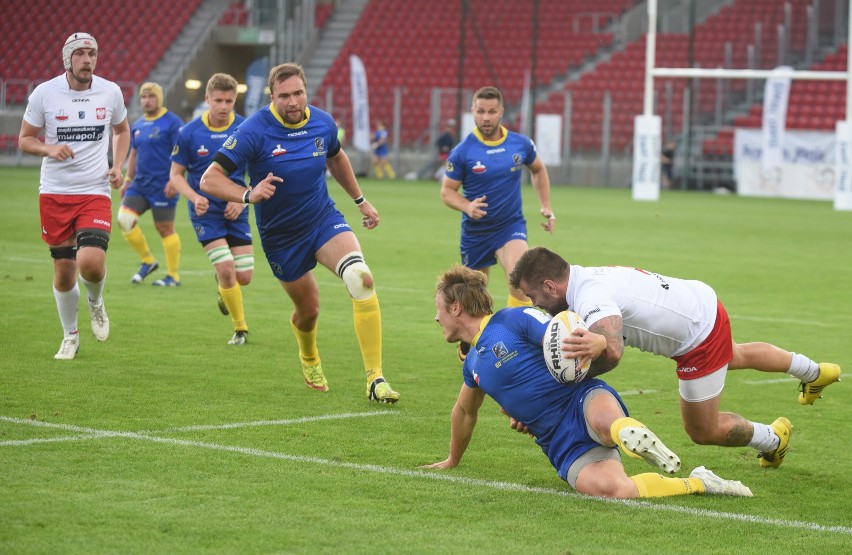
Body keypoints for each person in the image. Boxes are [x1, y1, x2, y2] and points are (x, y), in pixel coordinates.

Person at [424, 265, 753, 499]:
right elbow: (464, 412)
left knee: (607, 422)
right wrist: (453, 459)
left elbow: (564, 333)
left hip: (579, 398)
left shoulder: (513, 319)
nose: (436, 317)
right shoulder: (474, 364)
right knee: (615, 491)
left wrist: (596, 342)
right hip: (557, 440)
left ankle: (625, 432)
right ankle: (701, 483)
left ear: (455, 307)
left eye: (439, 308)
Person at [509, 246, 843, 468]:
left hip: (698, 338)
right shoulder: (581, 277)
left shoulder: (590, 294)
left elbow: (612, 353)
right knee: (736, 354)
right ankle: (814, 372)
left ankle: (773, 439)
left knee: (703, 429)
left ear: (551, 286)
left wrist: (562, 384)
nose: (533, 302)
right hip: (697, 300)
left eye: (532, 295)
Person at [200, 62, 400, 403]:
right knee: (309, 312)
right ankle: (309, 356)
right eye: (284, 96)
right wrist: (249, 195)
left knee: (361, 278)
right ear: (272, 97)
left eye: (298, 93)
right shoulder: (254, 130)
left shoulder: (322, 122)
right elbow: (210, 179)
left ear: (306, 91)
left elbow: (336, 159)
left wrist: (360, 201)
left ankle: (375, 379)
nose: (293, 102)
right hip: (281, 236)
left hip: (322, 219)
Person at [18, 32, 130, 359]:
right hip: (54, 192)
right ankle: (70, 335)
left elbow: (122, 131)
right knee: (65, 271)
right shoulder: (45, 93)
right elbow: (25, 138)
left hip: (94, 190)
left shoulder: (110, 91)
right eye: (80, 53)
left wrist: (118, 165)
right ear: (68, 58)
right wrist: (48, 148)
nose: (87, 60)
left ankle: (95, 301)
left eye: (92, 53)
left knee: (91, 264)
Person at [440, 85, 555, 361]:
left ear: (501, 111)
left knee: (520, 278)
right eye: (480, 112)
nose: (486, 117)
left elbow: (538, 169)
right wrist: (467, 206)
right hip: (476, 232)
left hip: (510, 226)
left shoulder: (520, 144)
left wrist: (546, 206)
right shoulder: (463, 152)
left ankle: (514, 340)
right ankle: (468, 344)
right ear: (473, 112)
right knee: (473, 296)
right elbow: (447, 192)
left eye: (492, 112)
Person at [169, 73, 253, 346]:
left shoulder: (245, 128)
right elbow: (176, 175)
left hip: (237, 209)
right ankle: (240, 329)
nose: (224, 106)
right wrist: (194, 197)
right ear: (207, 99)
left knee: (244, 277)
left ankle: (223, 286)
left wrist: (240, 198)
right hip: (205, 212)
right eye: (218, 100)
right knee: (228, 269)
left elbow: (261, 170)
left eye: (229, 100)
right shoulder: (189, 133)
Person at [118, 82, 184, 286]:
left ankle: (173, 276)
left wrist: (176, 180)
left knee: (164, 228)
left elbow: (182, 152)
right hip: (140, 184)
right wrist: (128, 180)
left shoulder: (172, 123)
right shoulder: (137, 125)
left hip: (164, 185)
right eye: (143, 97)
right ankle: (148, 261)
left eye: (151, 97)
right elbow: (134, 154)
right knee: (124, 219)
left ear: (159, 99)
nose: (146, 101)